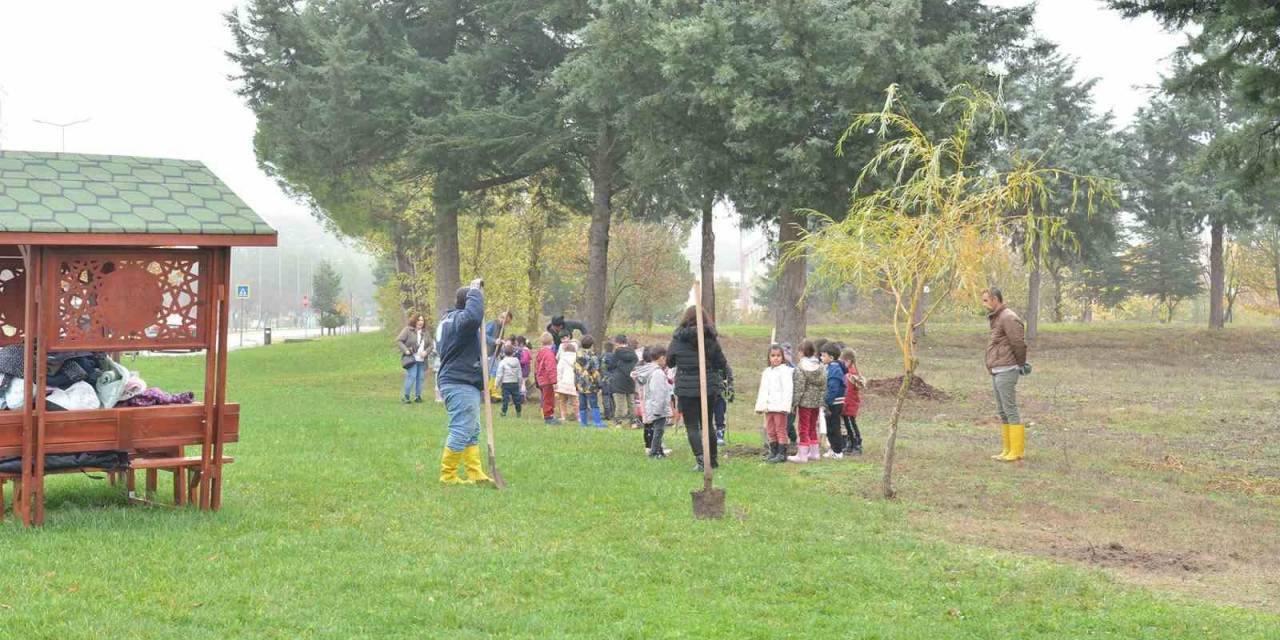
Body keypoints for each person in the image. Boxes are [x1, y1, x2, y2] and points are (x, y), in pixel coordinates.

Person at [435, 279, 492, 485]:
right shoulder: (460, 320)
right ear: (468, 302)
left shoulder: (449, 320)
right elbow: (473, 318)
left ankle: (474, 472)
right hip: (459, 380)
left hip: (461, 379)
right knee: (462, 427)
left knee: (472, 429)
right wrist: (476, 292)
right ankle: (448, 475)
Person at [666, 306, 730, 472]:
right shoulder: (710, 338)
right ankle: (711, 460)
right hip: (707, 386)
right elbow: (721, 363)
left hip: (688, 386)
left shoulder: (679, 339)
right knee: (707, 423)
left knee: (692, 425)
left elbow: (670, 361)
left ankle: (703, 461)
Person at [983, 287, 1029, 462]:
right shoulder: (998, 317)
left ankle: (1017, 451)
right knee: (1002, 410)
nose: (984, 304)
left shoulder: (1008, 317)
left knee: (1010, 409)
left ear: (995, 299)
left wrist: (1020, 363)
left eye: (986, 300)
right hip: (997, 369)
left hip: (1007, 369)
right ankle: (1007, 449)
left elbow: (1019, 343)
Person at [754, 344, 794, 464]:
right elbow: (763, 390)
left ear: (782, 357)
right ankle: (774, 451)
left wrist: (785, 406)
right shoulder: (766, 372)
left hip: (779, 407)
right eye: (773, 356)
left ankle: (782, 453)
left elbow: (788, 390)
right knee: (770, 429)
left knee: (780, 429)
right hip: (768, 407)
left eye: (778, 356)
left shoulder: (785, 371)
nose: (776, 358)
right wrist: (760, 406)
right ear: (769, 357)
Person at [788, 341, 824, 464]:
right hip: (816, 402)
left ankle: (802, 454)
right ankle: (814, 452)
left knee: (803, 427)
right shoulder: (821, 366)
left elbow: (799, 387)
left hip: (805, 403)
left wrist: (794, 403)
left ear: (802, 352)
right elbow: (824, 385)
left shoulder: (800, 367)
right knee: (813, 426)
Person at [634, 345, 672, 458]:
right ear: (661, 358)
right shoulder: (658, 373)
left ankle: (658, 450)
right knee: (658, 431)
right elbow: (658, 392)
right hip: (657, 407)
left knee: (657, 430)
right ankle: (654, 452)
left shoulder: (650, 371)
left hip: (653, 406)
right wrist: (659, 409)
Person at [396, 314, 431, 404]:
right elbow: (399, 341)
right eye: (419, 320)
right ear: (414, 321)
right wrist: (406, 350)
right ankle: (405, 397)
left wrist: (426, 352)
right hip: (412, 359)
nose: (421, 322)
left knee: (420, 378)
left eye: (422, 320)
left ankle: (418, 396)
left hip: (422, 360)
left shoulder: (425, 332)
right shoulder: (408, 330)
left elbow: (431, 345)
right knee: (411, 377)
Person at [821, 343, 848, 459]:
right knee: (829, 427)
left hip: (835, 402)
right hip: (831, 402)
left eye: (823, 356)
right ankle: (833, 448)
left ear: (831, 358)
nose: (821, 358)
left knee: (834, 427)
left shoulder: (834, 369)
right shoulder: (830, 367)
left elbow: (833, 388)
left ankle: (838, 451)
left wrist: (827, 402)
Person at [574, 335, 606, 428]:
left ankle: (583, 423)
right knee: (594, 404)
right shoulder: (593, 356)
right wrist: (599, 383)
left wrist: (576, 382)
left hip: (580, 384)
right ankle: (597, 422)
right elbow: (595, 371)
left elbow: (575, 370)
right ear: (592, 345)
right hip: (590, 384)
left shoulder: (577, 355)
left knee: (582, 404)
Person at [608, 334, 638, 428]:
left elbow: (611, 365)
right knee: (631, 402)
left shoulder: (617, 352)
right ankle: (633, 422)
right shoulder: (633, 352)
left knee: (619, 403)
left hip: (619, 379)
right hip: (630, 379)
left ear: (617, 343)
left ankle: (618, 422)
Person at [840, 348, 865, 455]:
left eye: (843, 362)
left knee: (851, 425)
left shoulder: (852, 375)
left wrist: (845, 404)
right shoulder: (847, 373)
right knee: (847, 425)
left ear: (848, 361)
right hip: (846, 404)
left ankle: (857, 443)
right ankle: (850, 443)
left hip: (850, 405)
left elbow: (849, 392)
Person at [534, 332, 560, 424]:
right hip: (547, 380)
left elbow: (536, 366)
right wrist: (554, 381)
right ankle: (549, 416)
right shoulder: (549, 354)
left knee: (545, 398)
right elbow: (551, 368)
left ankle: (548, 415)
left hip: (541, 379)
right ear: (552, 342)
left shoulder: (540, 352)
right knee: (549, 398)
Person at [495, 344, 524, 418]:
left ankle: (503, 412)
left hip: (505, 383)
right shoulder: (517, 361)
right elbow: (519, 373)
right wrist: (520, 384)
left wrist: (496, 384)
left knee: (505, 399)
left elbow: (499, 374)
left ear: (504, 353)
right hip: (515, 383)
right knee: (517, 399)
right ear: (513, 353)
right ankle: (519, 412)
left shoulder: (502, 362)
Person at [555, 341, 579, 422]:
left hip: (563, 383)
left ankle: (563, 416)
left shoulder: (562, 359)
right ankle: (578, 417)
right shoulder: (577, 359)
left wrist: (558, 382)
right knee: (575, 402)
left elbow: (559, 371)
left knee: (562, 401)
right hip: (573, 383)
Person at [712, 362, 734, 445]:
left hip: (720, 393)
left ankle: (720, 435)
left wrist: (730, 389)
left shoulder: (722, 363)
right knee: (706, 416)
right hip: (706, 393)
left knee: (720, 415)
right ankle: (708, 435)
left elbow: (729, 378)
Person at [600, 341, 616, 420]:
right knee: (613, 397)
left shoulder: (603, 357)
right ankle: (614, 413)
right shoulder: (615, 356)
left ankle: (607, 414)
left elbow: (601, 368)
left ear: (605, 348)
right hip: (614, 379)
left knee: (606, 396)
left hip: (605, 379)